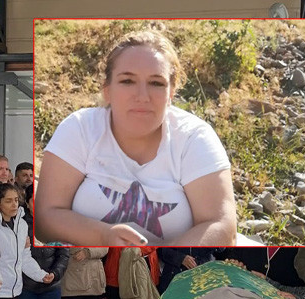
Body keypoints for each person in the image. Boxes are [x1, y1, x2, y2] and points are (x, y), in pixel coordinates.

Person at [36, 30, 235, 247]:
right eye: (127, 81)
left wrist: (156, 260)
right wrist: (104, 236)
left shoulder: (194, 138)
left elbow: (221, 226)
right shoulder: (80, 129)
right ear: (107, 90)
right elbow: (46, 219)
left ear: (171, 93)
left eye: (156, 83)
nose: (142, 96)